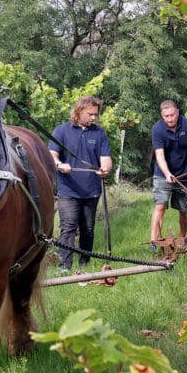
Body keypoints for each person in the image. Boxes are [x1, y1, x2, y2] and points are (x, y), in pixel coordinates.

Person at [49, 95, 112, 273]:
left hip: (91, 190)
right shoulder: (61, 131)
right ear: (79, 111)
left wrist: (105, 169)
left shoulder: (99, 133)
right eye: (91, 114)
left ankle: (85, 263)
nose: (94, 118)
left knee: (88, 229)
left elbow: (106, 159)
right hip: (68, 190)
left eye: (96, 115)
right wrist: (61, 165)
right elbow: (51, 156)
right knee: (68, 227)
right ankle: (64, 267)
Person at [150, 99, 187, 246]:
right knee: (160, 205)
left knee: (184, 209)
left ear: (177, 112)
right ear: (162, 116)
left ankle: (182, 239)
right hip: (163, 174)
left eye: (172, 115)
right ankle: (155, 241)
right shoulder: (158, 129)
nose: (169, 119)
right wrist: (167, 173)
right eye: (166, 116)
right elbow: (159, 155)